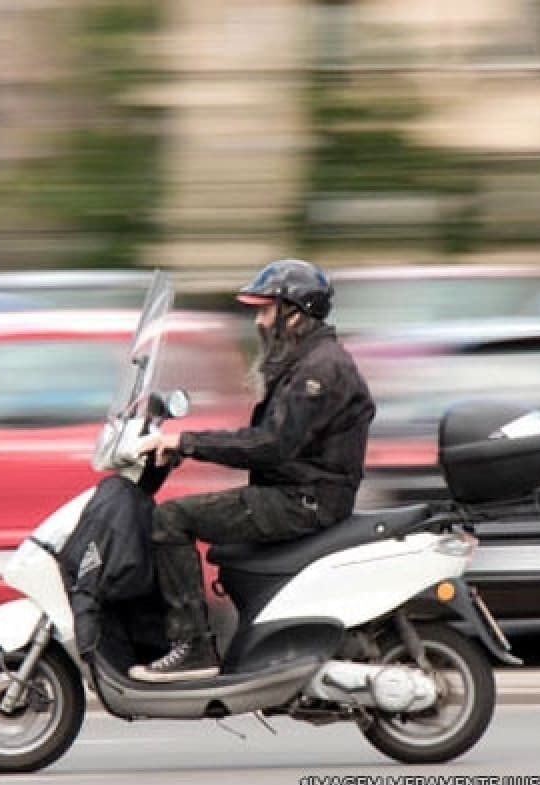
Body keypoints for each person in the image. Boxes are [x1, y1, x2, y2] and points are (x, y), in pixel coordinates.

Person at [128, 258, 376, 682]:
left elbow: (271, 446)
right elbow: (260, 437)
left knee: (171, 518)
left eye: (265, 310)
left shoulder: (319, 371)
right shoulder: (305, 361)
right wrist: (183, 443)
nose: (259, 322)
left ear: (294, 313)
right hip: (297, 493)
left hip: (303, 501)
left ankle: (193, 647)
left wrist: (185, 443)